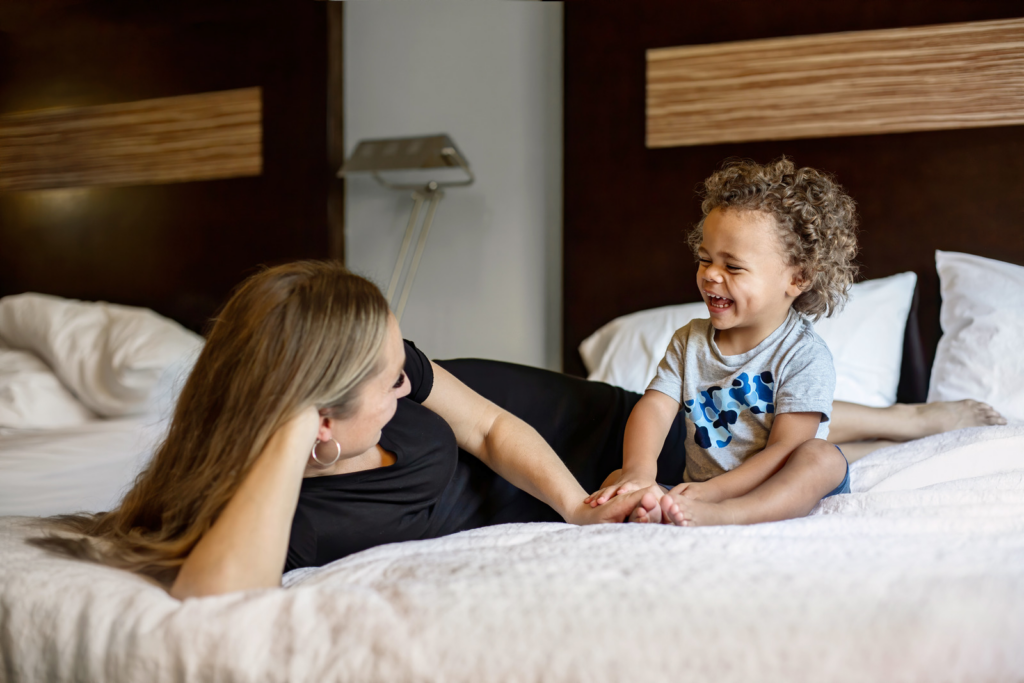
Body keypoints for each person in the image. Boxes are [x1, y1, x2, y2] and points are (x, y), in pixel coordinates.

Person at [35, 189, 1003, 599]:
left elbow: (491, 424)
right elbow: (211, 587)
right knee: (729, 436)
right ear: (314, 418)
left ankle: (895, 413)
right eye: (384, 379)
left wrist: (581, 507)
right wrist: (296, 421)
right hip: (580, 455)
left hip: (568, 433)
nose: (406, 379)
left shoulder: (397, 372)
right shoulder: (290, 502)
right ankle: (860, 418)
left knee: (764, 436)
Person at [585, 158, 1004, 527]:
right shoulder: (689, 340)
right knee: (614, 482)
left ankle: (735, 517)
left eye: (732, 266)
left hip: (772, 477)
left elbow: (787, 449)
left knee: (820, 458)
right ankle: (656, 507)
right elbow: (654, 407)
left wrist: (719, 497)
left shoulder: (804, 356)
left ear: (797, 278)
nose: (711, 274)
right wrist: (638, 471)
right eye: (704, 258)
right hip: (705, 483)